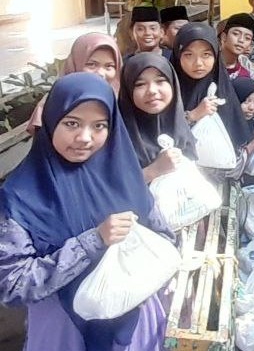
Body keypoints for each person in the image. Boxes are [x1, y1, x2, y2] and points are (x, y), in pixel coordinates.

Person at [0, 72, 174, 351]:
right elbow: (13, 285)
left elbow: (164, 236)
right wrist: (92, 242)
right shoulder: (22, 195)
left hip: (136, 322)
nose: (84, 138)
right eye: (72, 123)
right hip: (64, 331)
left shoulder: (124, 177)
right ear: (51, 120)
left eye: (99, 125)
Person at [170, 22, 254, 179]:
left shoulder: (224, 94)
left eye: (206, 55)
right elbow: (158, 138)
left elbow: (234, 161)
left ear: (216, 55)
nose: (198, 63)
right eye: (188, 55)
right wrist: (192, 116)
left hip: (218, 188)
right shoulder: (166, 93)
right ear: (178, 55)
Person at [118, 54, 198, 183]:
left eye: (160, 81)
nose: (152, 90)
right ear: (128, 90)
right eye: (140, 84)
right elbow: (111, 187)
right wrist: (154, 170)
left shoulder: (181, 130)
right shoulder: (116, 136)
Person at [26, 33, 123, 134]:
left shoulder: (122, 100)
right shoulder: (52, 105)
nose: (101, 73)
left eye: (109, 66)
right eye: (91, 64)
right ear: (74, 64)